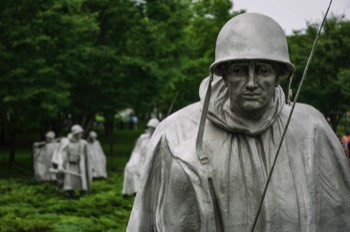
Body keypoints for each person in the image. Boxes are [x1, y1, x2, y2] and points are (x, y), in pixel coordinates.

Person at [127, 13, 350, 231]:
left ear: (279, 76)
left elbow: (338, 216)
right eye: (239, 70)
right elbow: (145, 221)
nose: (251, 82)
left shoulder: (311, 129)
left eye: (262, 70)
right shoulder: (175, 133)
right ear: (223, 74)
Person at [122, 118, 160, 197]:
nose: (151, 129)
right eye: (150, 127)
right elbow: (136, 151)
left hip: (152, 162)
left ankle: (140, 193)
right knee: (129, 167)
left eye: (153, 128)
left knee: (143, 172)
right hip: (140, 160)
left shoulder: (158, 139)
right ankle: (129, 191)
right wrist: (133, 161)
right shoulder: (143, 138)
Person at [56, 125, 93, 198]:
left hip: (80, 164)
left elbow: (88, 157)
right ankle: (70, 192)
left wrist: (91, 165)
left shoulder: (83, 143)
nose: (81, 135)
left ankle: (82, 192)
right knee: (69, 180)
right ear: (75, 134)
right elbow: (60, 154)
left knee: (81, 178)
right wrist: (60, 165)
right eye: (79, 133)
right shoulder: (66, 142)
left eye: (81, 133)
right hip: (68, 164)